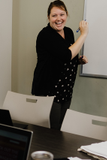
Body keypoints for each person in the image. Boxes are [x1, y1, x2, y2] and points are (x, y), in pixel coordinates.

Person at [31, 0, 89, 129]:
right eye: (54, 15)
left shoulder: (68, 32)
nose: (58, 19)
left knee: (62, 127)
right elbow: (66, 55)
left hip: (66, 89)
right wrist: (84, 34)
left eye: (61, 14)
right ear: (48, 17)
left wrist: (77, 61)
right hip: (49, 90)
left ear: (67, 15)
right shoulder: (45, 35)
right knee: (52, 131)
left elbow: (66, 56)